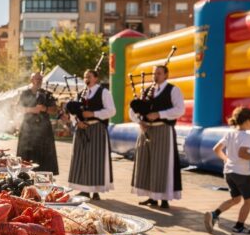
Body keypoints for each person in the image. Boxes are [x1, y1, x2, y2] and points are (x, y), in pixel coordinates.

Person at [204, 107, 250, 235]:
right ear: (246, 121)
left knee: (235, 199)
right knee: (248, 200)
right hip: (242, 173)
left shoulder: (230, 133)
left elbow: (216, 149)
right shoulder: (246, 136)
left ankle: (214, 214)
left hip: (229, 171)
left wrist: (226, 159)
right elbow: (243, 153)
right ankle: (239, 227)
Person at [129, 65, 185, 209]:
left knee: (163, 164)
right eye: (154, 73)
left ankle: (164, 199)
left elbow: (180, 110)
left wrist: (160, 114)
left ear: (166, 75)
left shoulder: (173, 90)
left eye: (159, 73)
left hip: (163, 130)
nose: (156, 76)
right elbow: (133, 110)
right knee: (147, 163)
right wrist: (139, 121)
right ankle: (152, 197)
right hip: (146, 130)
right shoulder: (147, 90)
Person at [66, 69, 116, 200]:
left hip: (97, 129)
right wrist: (77, 122)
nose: (86, 79)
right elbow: (72, 113)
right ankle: (84, 189)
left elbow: (111, 111)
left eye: (89, 76)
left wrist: (94, 114)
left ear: (96, 78)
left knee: (96, 160)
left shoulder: (103, 92)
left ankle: (95, 191)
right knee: (81, 159)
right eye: (84, 76)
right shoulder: (80, 93)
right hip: (82, 129)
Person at [17, 72, 59, 174]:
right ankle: (26, 177)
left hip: (44, 129)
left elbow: (55, 109)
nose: (39, 81)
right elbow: (18, 108)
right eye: (37, 79)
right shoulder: (24, 93)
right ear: (32, 80)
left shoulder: (47, 94)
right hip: (28, 128)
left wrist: (45, 108)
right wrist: (32, 110)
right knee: (27, 156)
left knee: (45, 157)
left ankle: (44, 179)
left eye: (40, 79)